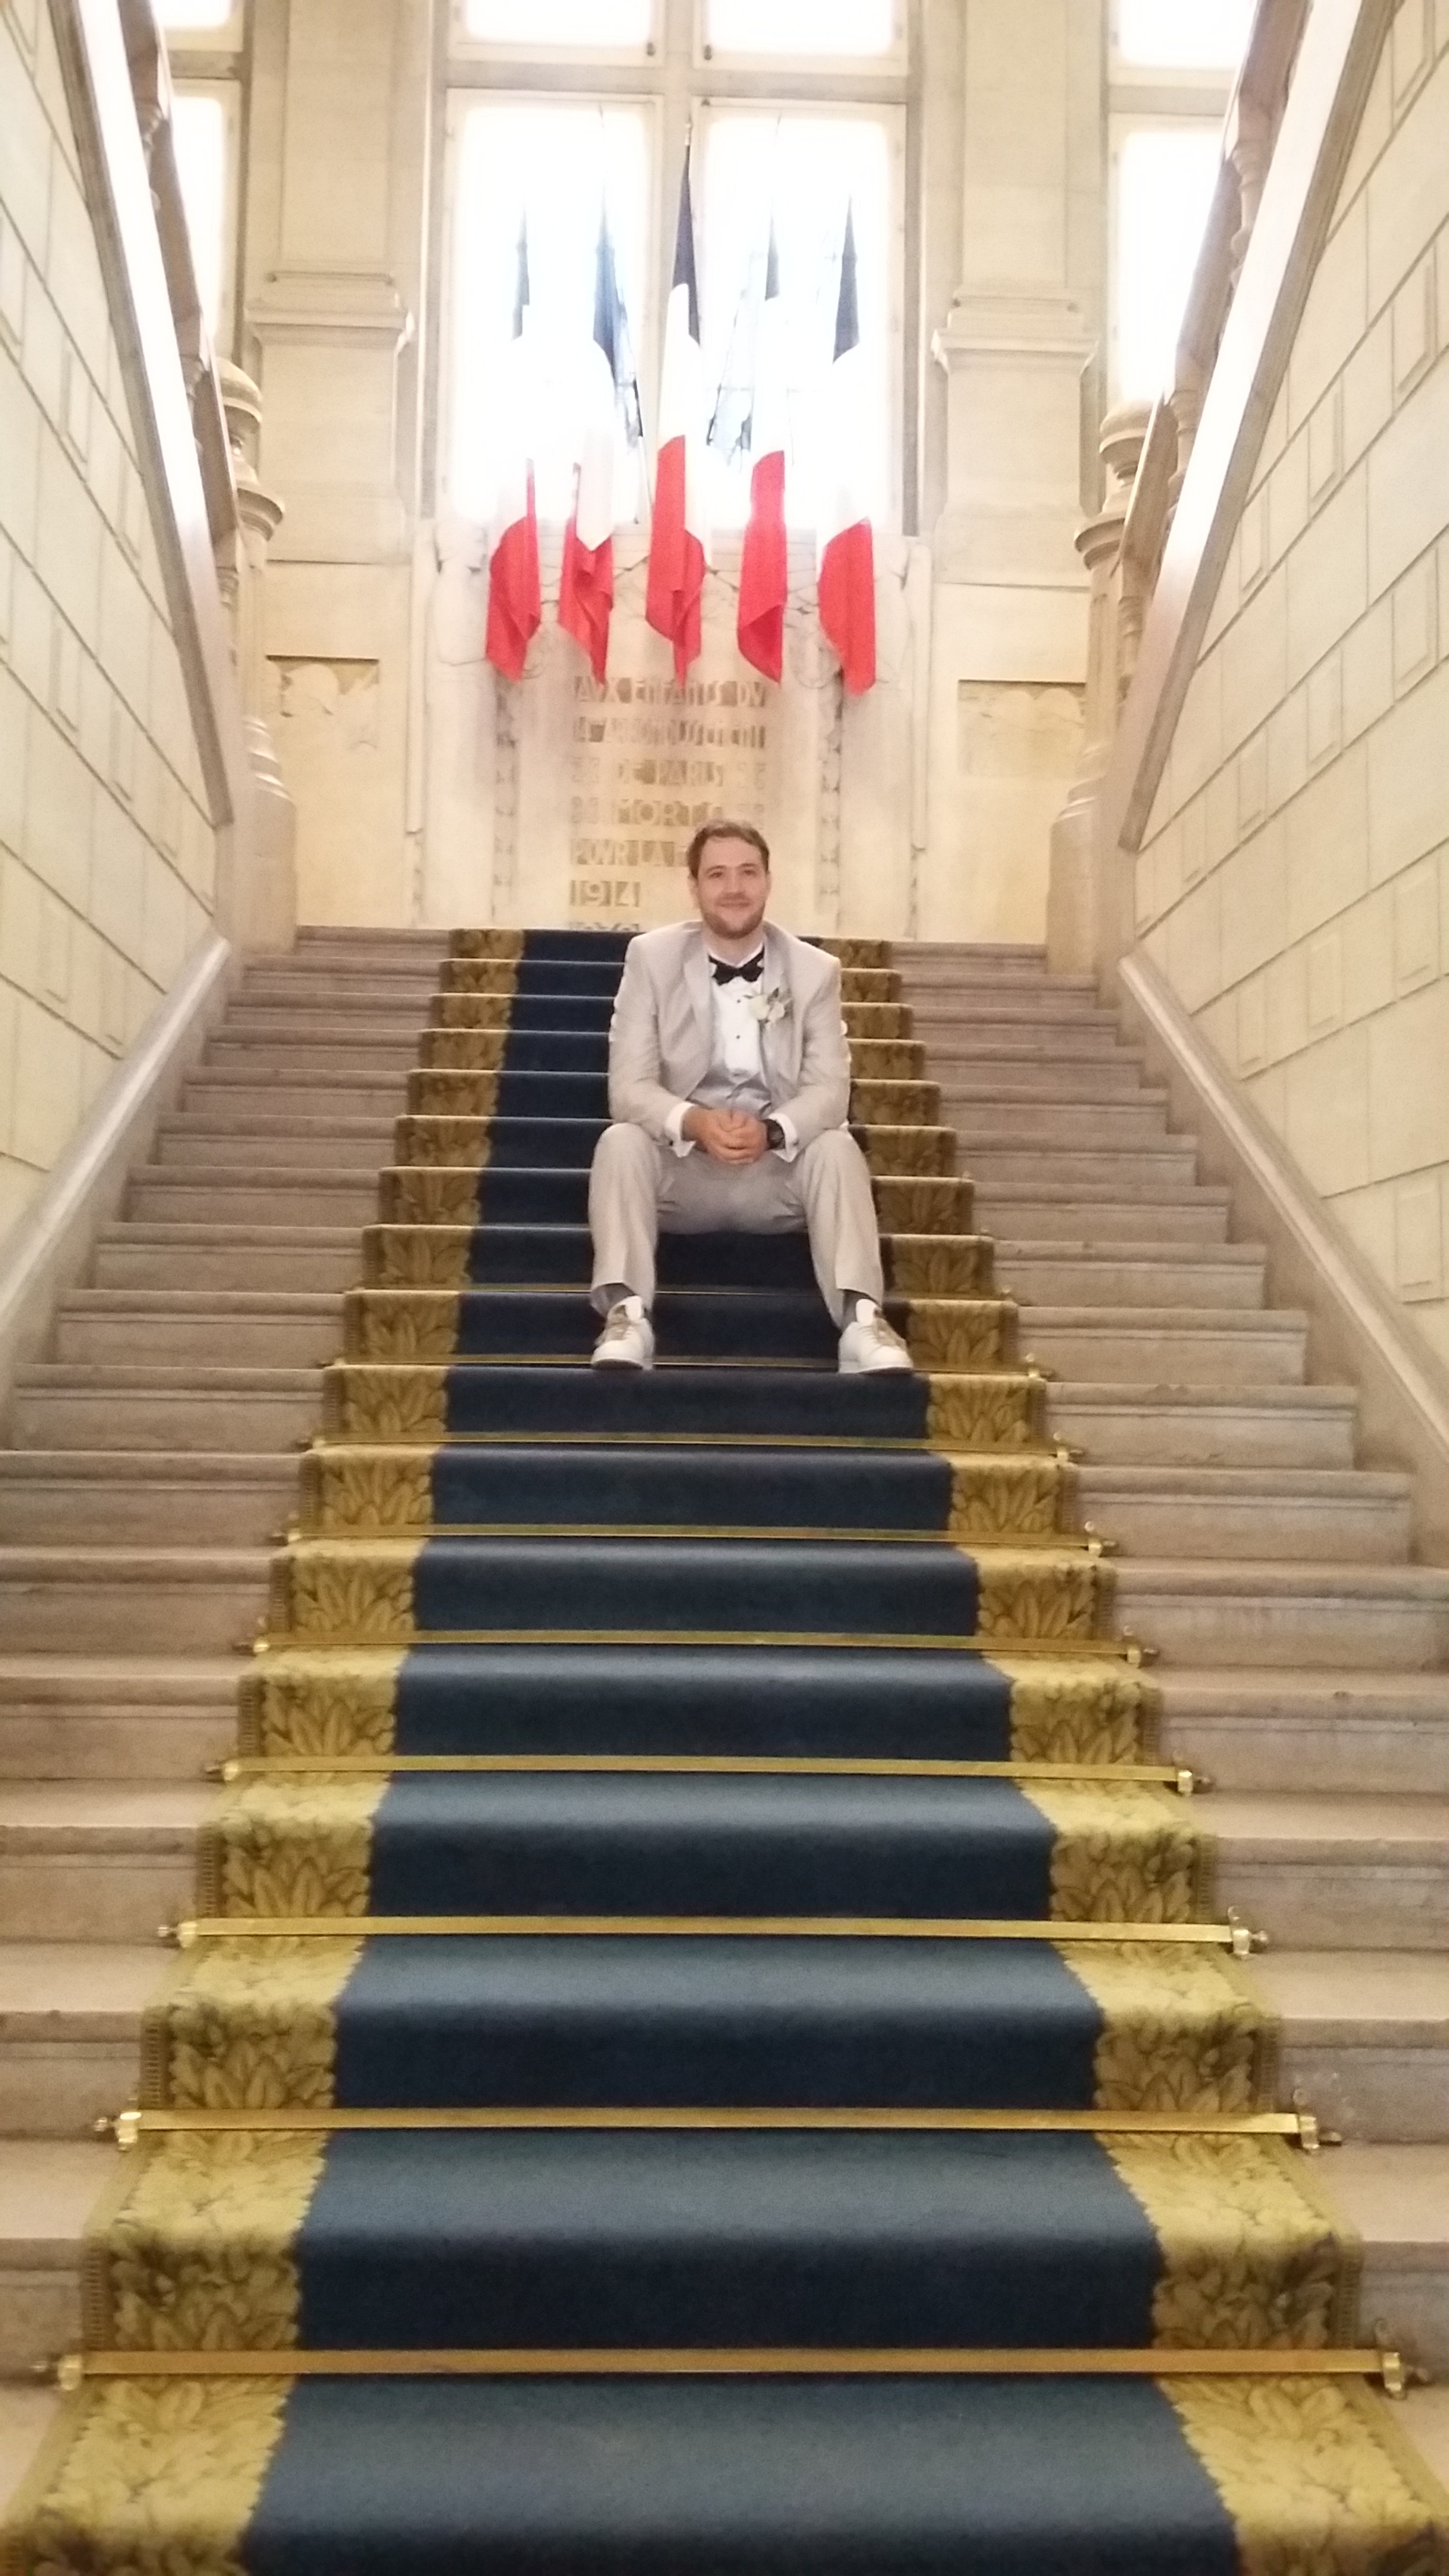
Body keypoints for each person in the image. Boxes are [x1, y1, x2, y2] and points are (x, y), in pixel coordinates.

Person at [588, 818, 912, 1374]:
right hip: (682, 1170)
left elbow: (829, 1090)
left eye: (747, 872)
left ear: (768, 881)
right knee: (619, 1141)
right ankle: (627, 1316)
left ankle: (863, 1322)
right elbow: (628, 1088)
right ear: (694, 886)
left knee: (837, 1147)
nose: (734, 888)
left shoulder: (815, 971)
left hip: (776, 1173)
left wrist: (773, 1131)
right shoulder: (651, 958)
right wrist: (694, 1122)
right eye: (717, 874)